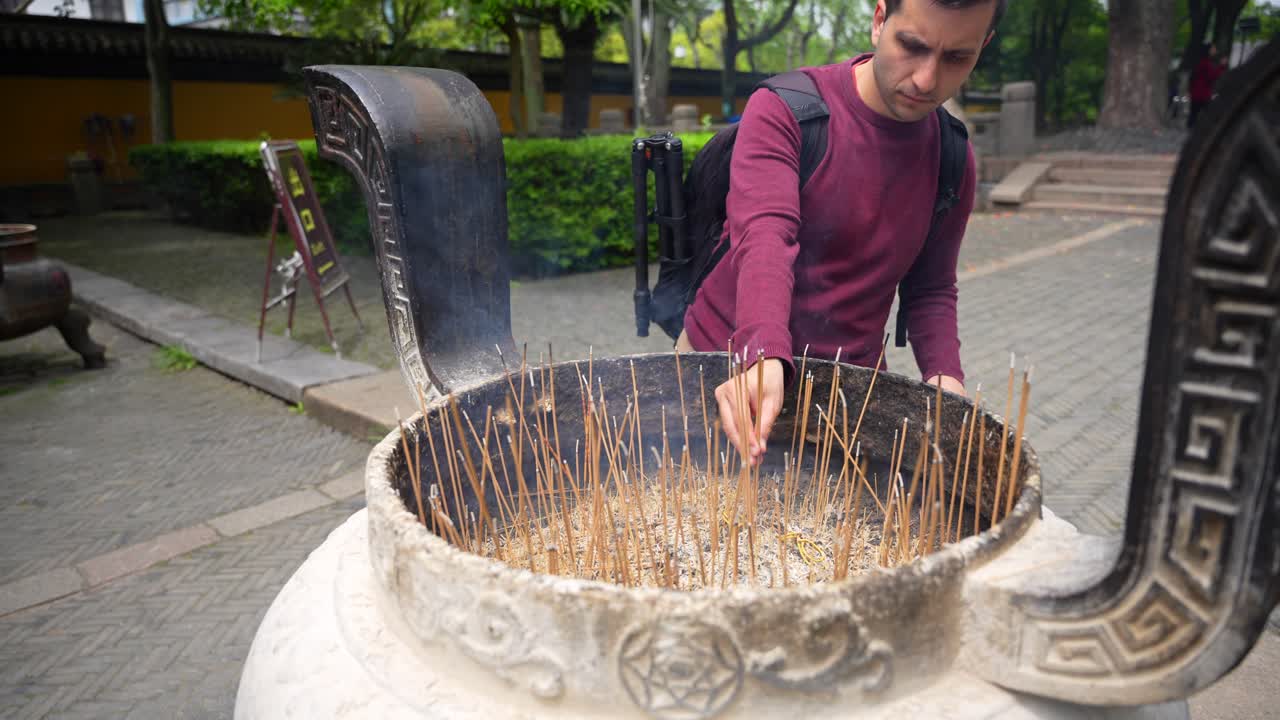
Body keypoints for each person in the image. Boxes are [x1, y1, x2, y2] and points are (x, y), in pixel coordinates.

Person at [675, 0, 1003, 463]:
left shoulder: (952, 156)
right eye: (912, 46)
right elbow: (766, 237)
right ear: (879, 20)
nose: (927, 80)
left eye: (956, 59)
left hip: (848, 397)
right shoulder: (786, 110)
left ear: (982, 47)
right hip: (724, 369)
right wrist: (762, 351)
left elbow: (930, 288)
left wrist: (946, 381)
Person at [1188, 44, 1226, 128]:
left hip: (1197, 91)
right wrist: (1221, 66)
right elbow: (1211, 77)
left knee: (1194, 112)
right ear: (1208, 51)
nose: (1215, 51)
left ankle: (1192, 128)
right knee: (1206, 112)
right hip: (1202, 92)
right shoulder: (1205, 63)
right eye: (1213, 49)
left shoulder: (1202, 61)